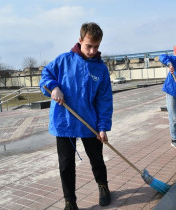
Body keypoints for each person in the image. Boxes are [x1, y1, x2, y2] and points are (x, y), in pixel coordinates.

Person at [39, 22, 113, 209]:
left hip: (90, 123)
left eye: (96, 47)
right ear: (80, 40)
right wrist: (54, 87)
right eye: (89, 46)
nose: (92, 51)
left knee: (97, 159)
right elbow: (45, 76)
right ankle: (70, 201)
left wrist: (103, 127)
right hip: (64, 122)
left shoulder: (101, 69)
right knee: (66, 165)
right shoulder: (63, 60)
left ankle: (103, 186)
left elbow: (104, 101)